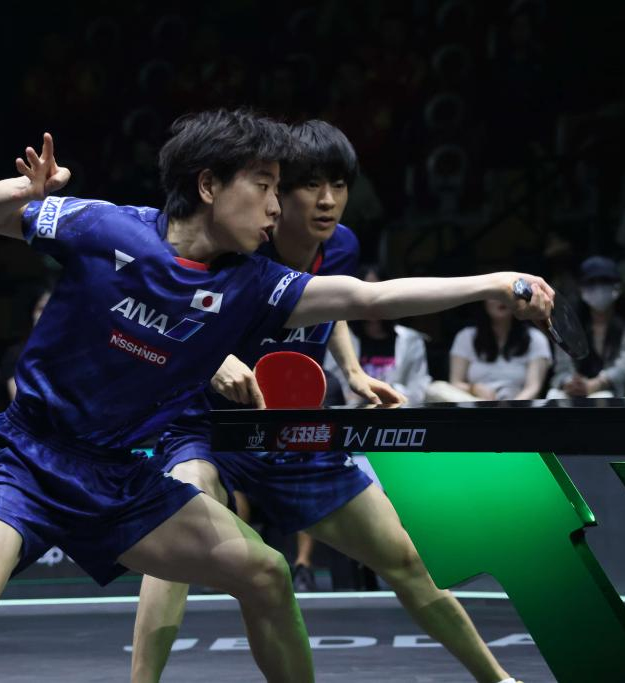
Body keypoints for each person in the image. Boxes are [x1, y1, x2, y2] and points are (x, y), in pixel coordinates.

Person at [0, 110, 551, 683]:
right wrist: (25, 192)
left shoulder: (254, 284)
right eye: (265, 186)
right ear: (210, 184)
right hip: (30, 461)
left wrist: (492, 283)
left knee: (267, 572)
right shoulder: (105, 228)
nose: (278, 206)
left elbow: (367, 297)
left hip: (122, 480)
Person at [131, 121, 526, 683]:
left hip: (291, 430)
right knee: (180, 523)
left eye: (338, 185)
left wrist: (351, 369)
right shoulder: (238, 247)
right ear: (276, 193)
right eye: (310, 185)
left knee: (406, 560)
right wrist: (211, 357)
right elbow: (164, 305)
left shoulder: (341, 246)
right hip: (208, 427)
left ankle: (499, 680)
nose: (327, 200)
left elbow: (337, 300)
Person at [325, 265, 433, 404]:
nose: (371, 301)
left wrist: (387, 391)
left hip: (398, 407)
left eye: (377, 293)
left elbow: (418, 388)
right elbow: (334, 383)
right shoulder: (342, 336)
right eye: (365, 294)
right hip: (355, 409)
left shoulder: (410, 339)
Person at [547, 256, 625, 399]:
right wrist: (570, 383)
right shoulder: (566, 328)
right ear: (581, 289)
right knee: (554, 395)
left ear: (618, 287)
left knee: (603, 397)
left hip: (618, 396)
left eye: (605, 282)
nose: (598, 288)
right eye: (591, 283)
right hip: (576, 392)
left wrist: (595, 384)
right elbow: (562, 368)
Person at [427, 298, 552, 402]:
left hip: (518, 408)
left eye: (506, 295)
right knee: (435, 389)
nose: (501, 300)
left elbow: (533, 388)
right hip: (475, 406)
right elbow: (455, 383)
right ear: (483, 301)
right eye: (494, 295)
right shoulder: (465, 336)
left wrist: (512, 410)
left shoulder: (536, 338)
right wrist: (474, 389)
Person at [2, 287, 51, 400]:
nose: (47, 314)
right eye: (41, 309)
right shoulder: (16, 354)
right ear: (32, 313)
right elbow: (21, 400)